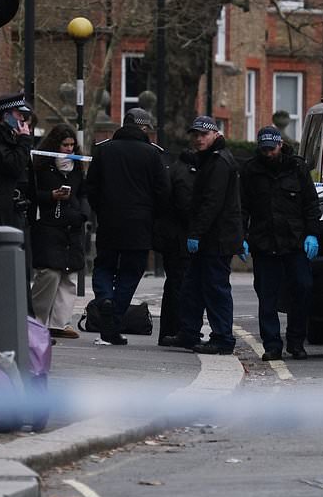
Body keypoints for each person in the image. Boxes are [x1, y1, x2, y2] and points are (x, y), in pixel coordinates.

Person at [86, 108, 170, 345]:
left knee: (103, 266)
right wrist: (153, 216)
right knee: (130, 273)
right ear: (144, 128)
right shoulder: (153, 155)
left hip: (109, 220)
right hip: (140, 224)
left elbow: (90, 187)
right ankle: (114, 317)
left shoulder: (103, 150)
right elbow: (163, 192)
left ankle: (104, 300)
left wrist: (102, 210)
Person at [239, 125, 319, 361]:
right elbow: (242, 207)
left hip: (294, 242)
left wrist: (312, 234)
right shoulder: (251, 170)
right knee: (267, 297)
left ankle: (296, 341)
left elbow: (310, 205)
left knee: (302, 290)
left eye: (271, 149)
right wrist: (241, 237)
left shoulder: (297, 168)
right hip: (264, 242)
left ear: (280, 145)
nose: (268, 153)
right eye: (264, 149)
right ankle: (272, 345)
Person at [174, 116, 245, 355]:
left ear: (216, 134)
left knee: (215, 290)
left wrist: (195, 233)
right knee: (192, 288)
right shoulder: (210, 160)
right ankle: (189, 334)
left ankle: (223, 338)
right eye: (195, 134)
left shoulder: (219, 162)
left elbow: (211, 203)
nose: (198, 139)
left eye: (203, 134)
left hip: (217, 239)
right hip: (211, 237)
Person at [28, 124, 88, 339]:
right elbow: (32, 193)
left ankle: (59, 323)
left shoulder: (78, 168)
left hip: (72, 225)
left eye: (72, 145)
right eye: (65, 145)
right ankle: (36, 321)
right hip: (48, 225)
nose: (69, 149)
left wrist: (83, 213)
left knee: (69, 276)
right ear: (56, 145)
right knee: (49, 274)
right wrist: (50, 196)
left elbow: (83, 193)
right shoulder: (41, 166)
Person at [154, 145, 199, 346]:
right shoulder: (186, 173)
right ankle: (178, 331)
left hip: (171, 238)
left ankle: (169, 331)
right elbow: (185, 207)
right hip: (180, 240)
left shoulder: (175, 168)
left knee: (173, 284)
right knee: (180, 286)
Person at [0, 91, 34, 229]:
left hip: (14, 208)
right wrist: (24, 140)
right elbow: (14, 165)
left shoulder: (11, 137)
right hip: (1, 210)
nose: (22, 119)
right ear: (6, 116)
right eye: (19, 115)